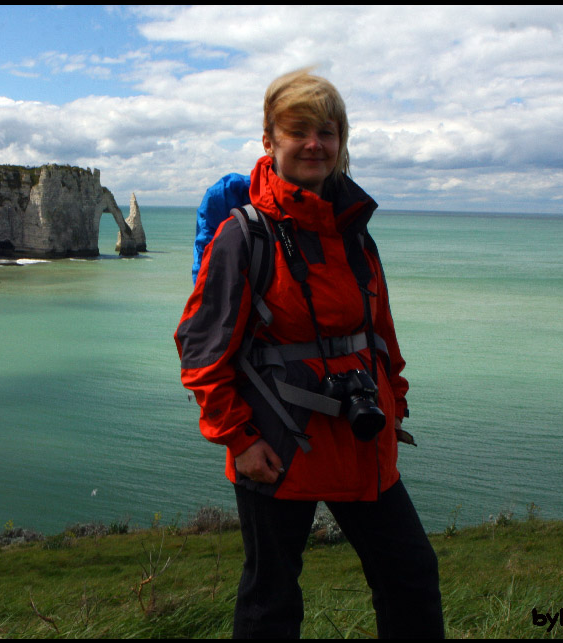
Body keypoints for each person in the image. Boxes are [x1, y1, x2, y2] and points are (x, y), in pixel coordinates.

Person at [175, 68, 444, 638]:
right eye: (298, 131)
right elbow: (200, 347)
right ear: (269, 142)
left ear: (342, 142)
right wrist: (239, 440)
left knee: (411, 575)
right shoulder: (244, 234)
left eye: (327, 131)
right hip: (275, 443)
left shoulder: (353, 231)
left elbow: (379, 332)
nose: (315, 144)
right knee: (271, 599)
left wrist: (393, 402)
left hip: (359, 433)